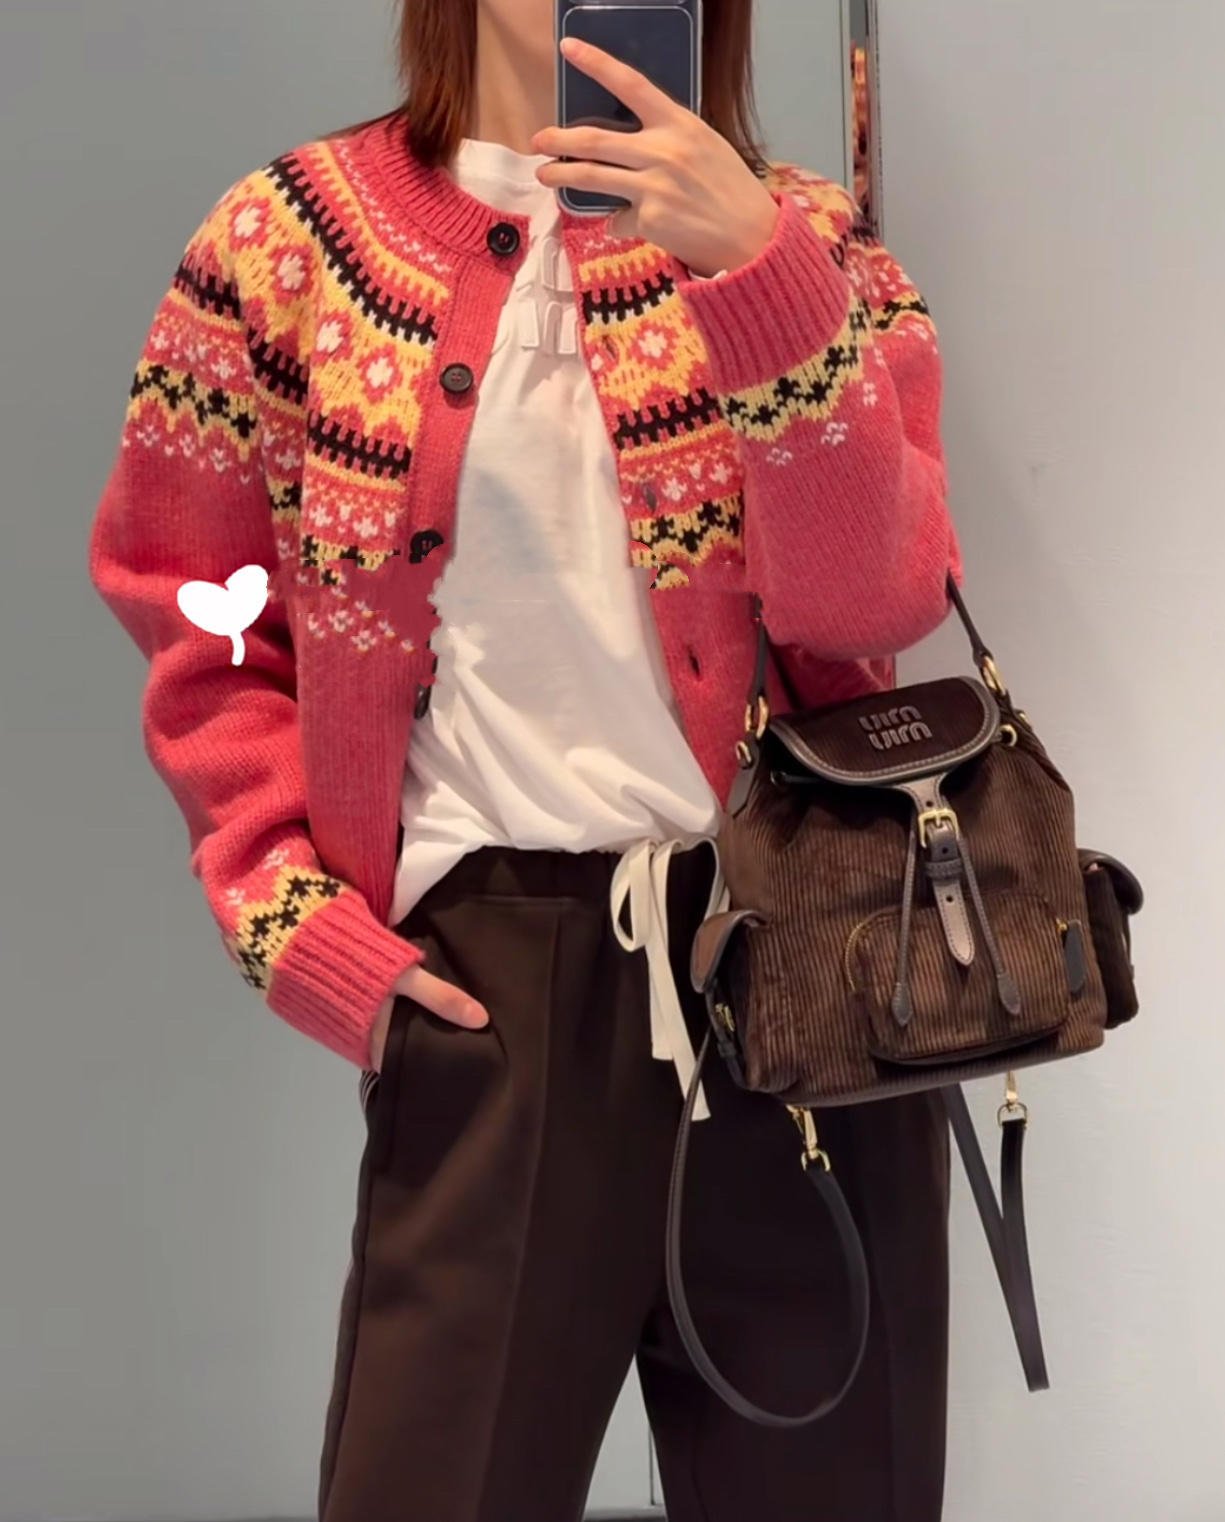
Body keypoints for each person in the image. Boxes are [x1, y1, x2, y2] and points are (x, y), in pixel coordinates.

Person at [89, 1, 961, 1518]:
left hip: (813, 983)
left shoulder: (806, 239)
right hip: (493, 997)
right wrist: (290, 916)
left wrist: (758, 275)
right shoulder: (285, 245)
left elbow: (877, 603)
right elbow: (198, 608)